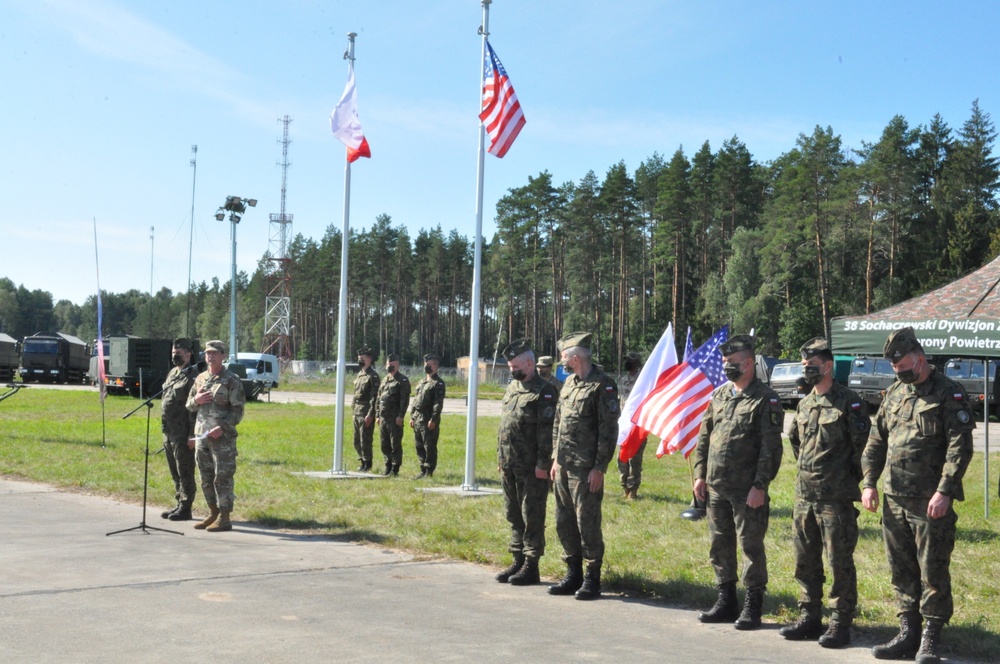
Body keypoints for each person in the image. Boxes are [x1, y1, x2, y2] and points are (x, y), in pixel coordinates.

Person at [862, 327, 974, 663]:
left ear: (920, 359)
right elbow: (876, 440)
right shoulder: (895, 392)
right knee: (901, 567)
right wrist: (869, 482)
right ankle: (908, 631)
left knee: (932, 569)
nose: (900, 373)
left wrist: (945, 491)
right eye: (895, 370)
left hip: (929, 502)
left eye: (904, 367)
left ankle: (931, 638)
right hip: (894, 499)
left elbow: (960, 447)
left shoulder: (948, 393)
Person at [780, 337, 870, 648]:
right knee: (805, 560)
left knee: (838, 562)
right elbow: (795, 442)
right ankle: (809, 616)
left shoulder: (849, 402)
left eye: (812, 366)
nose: (807, 371)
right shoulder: (804, 403)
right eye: (804, 366)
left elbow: (864, 449)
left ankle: (840, 622)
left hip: (836, 499)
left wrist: (848, 480)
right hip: (805, 496)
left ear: (828, 366)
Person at [693, 334, 783, 630]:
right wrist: (699, 475)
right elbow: (704, 437)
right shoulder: (720, 395)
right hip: (717, 486)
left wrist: (760, 485)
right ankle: (726, 600)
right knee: (719, 545)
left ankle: (752, 605)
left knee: (750, 547)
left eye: (731, 362)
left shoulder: (765, 398)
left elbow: (771, 448)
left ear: (747, 363)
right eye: (724, 362)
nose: (726, 366)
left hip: (747, 490)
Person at [548, 332, 619, 600]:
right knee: (563, 521)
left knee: (587, 522)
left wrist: (599, 467)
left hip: (586, 468)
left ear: (575, 358)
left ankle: (592, 578)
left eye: (564, 356)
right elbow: (558, 423)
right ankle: (573, 573)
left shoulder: (603, 386)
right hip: (564, 466)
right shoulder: (568, 385)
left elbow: (608, 430)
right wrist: (555, 458)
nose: (561, 360)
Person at [495, 339, 558, 586]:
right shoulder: (512, 389)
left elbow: (547, 431)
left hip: (532, 468)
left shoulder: (545, 391)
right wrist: (501, 458)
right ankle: (517, 560)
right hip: (510, 463)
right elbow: (505, 427)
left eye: (516, 366)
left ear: (530, 364)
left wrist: (543, 463)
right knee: (513, 514)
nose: (512, 370)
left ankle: (532, 566)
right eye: (510, 366)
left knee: (531, 515)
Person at [185, 339, 245, 532]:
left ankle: (225, 517)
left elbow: (238, 411)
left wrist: (223, 427)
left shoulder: (231, 380)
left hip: (222, 439)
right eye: (207, 353)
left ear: (223, 356)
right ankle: (212, 512)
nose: (210, 356)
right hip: (202, 436)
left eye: (214, 353)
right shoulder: (200, 378)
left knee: (223, 477)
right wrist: (196, 399)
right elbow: (189, 405)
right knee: (205, 476)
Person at [160, 338, 198, 521]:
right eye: (174, 352)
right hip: (169, 432)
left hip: (183, 433)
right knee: (175, 471)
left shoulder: (193, 376)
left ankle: (186, 507)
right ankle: (178, 502)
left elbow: (194, 409)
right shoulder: (172, 373)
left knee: (185, 471)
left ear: (188, 354)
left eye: (180, 353)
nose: (175, 355)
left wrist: (192, 435)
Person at [410, 353, 446, 479]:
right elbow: (416, 400)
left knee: (429, 445)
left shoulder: (438, 383)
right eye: (426, 364)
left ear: (436, 366)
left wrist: (433, 420)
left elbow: (438, 403)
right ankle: (422, 469)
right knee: (419, 445)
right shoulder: (422, 382)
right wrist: (412, 417)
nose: (427, 367)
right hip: (418, 418)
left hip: (428, 418)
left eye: (430, 365)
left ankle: (429, 470)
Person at [376, 353, 410, 477]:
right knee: (384, 444)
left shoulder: (402, 380)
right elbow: (379, 398)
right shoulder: (385, 379)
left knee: (395, 444)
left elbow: (404, 400)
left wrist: (400, 416)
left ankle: (395, 468)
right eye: (388, 364)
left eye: (392, 364)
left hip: (395, 418)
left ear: (398, 365)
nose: (390, 366)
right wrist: (377, 415)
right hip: (384, 418)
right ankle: (387, 465)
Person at [617, 351, 644, 500]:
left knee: (635, 458)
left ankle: (633, 489)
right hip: (624, 425)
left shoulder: (644, 380)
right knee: (622, 457)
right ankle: (624, 487)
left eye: (631, 360)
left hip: (637, 425)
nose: (628, 363)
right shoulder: (622, 380)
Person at [352, 346, 380, 472]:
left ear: (369, 360)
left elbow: (374, 398)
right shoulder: (359, 375)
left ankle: (367, 463)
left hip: (366, 410)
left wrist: (370, 414)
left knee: (365, 439)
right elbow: (355, 393)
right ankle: (362, 460)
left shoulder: (372, 376)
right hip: (357, 411)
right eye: (359, 358)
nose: (360, 360)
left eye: (362, 358)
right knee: (356, 440)